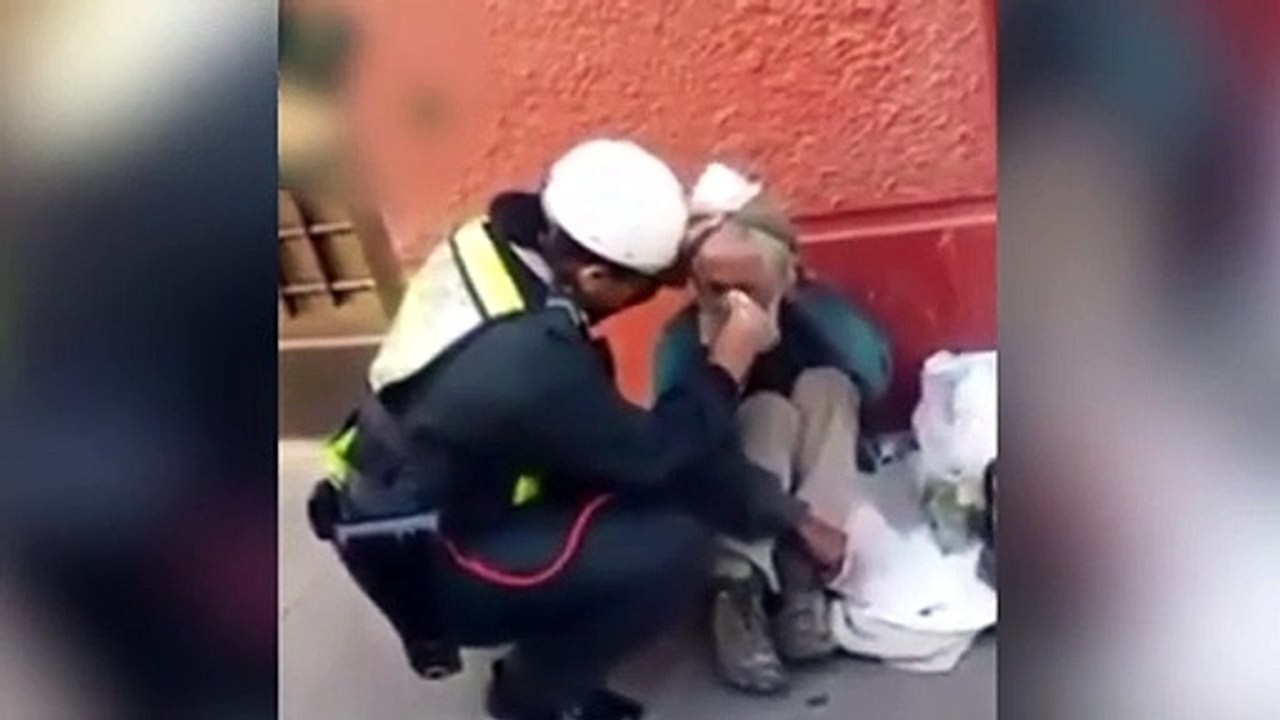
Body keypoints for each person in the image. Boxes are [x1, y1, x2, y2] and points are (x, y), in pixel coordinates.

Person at [308, 139, 848, 720]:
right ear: (592, 274)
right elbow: (661, 454)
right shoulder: (530, 359)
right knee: (676, 547)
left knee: (662, 487)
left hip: (413, 493)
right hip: (433, 557)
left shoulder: (495, 245)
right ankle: (532, 698)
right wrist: (727, 361)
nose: (656, 294)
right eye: (643, 284)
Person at [654, 166, 892, 694]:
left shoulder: (810, 317)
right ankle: (738, 585)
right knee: (766, 413)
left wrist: (806, 307)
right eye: (717, 288)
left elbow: (873, 378)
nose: (734, 301)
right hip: (733, 492)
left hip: (808, 490)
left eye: (750, 287)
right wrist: (722, 361)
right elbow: (681, 447)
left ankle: (803, 576)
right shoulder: (683, 341)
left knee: (828, 387)